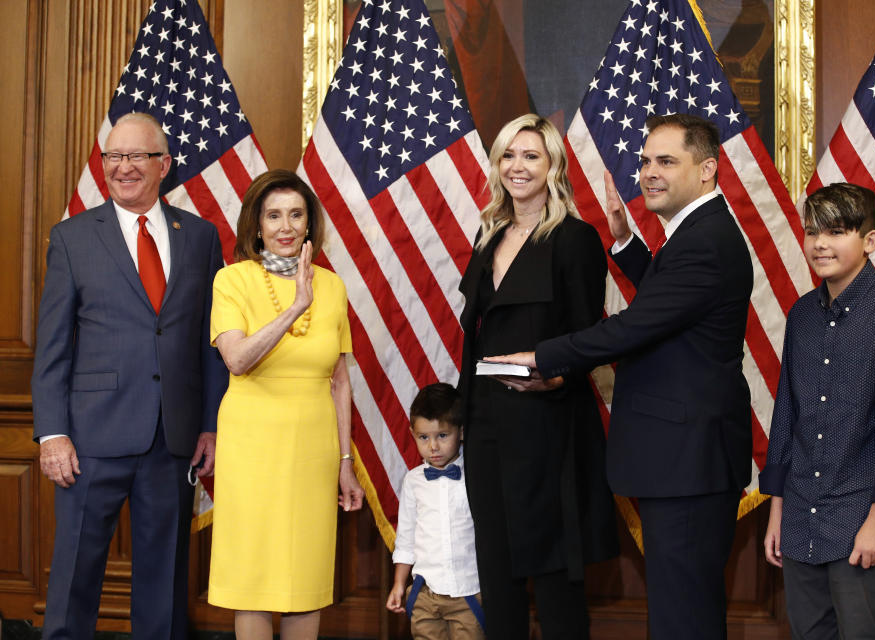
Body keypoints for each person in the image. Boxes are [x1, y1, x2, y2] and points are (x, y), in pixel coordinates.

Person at [489, 113, 754, 638]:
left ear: (707, 170)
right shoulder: (698, 232)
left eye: (666, 161)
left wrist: (541, 357)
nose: (649, 173)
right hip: (685, 460)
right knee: (684, 610)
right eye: (645, 161)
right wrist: (626, 243)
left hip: (688, 463)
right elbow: (671, 301)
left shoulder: (705, 241)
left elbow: (636, 326)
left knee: (685, 618)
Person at [31, 112, 228, 640]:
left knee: (163, 589)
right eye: (113, 157)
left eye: (135, 156)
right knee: (73, 579)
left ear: (163, 164)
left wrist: (209, 425)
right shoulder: (72, 238)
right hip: (90, 439)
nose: (122, 168)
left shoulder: (201, 238)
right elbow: (51, 347)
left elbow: (210, 342)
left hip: (174, 440)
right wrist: (52, 434)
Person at [457, 113, 619, 640]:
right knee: (497, 569)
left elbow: (587, 335)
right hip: (487, 426)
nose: (517, 166)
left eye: (531, 156)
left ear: (553, 167)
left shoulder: (575, 239)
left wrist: (554, 379)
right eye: (508, 154)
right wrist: (462, 416)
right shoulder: (489, 237)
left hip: (550, 425)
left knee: (554, 574)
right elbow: (474, 337)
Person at [759, 183, 875, 639]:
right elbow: (786, 417)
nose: (819, 243)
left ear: (869, 241)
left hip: (860, 516)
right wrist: (777, 511)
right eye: (812, 231)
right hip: (798, 514)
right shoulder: (801, 316)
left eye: (836, 231)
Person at [206, 169, 364, 639]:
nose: (285, 226)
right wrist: (295, 305)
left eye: (296, 214)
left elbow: (339, 383)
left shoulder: (332, 287)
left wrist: (345, 462)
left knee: (305, 574)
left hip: (313, 448)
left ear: (310, 223)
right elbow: (237, 359)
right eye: (273, 215)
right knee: (253, 577)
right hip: (252, 445)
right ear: (255, 224)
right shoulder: (231, 280)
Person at [386, 383, 484, 640]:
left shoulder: (476, 475)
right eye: (424, 437)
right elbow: (406, 538)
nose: (433, 447)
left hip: (469, 592)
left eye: (442, 435)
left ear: (460, 432)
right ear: (412, 433)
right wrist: (399, 584)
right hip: (425, 595)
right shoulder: (413, 481)